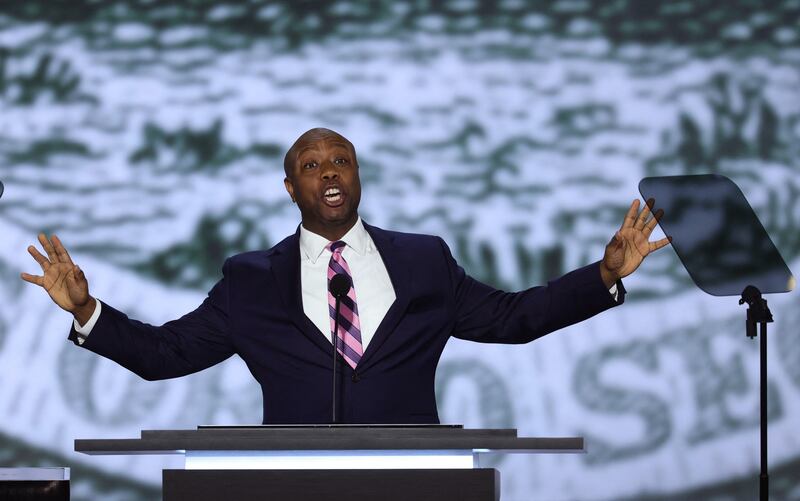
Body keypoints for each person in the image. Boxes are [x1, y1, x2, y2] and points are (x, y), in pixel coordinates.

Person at [21, 128, 670, 424]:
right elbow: (167, 354)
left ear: (358, 177)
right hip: (291, 483)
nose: (329, 171)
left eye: (342, 160)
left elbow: (513, 319)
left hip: (417, 481)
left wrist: (603, 274)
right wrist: (86, 311)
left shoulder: (424, 260)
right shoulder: (250, 280)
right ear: (289, 185)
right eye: (312, 164)